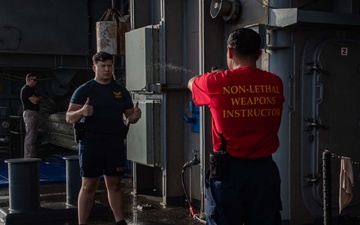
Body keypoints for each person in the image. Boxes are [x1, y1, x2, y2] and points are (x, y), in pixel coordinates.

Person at [187, 28, 285, 225]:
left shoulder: (215, 82)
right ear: (259, 54)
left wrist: (215, 76)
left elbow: (191, 83)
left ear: (229, 52)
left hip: (229, 172)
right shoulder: (275, 82)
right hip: (264, 171)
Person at [66, 51, 141, 225]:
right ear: (95, 68)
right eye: (103, 66)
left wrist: (135, 116)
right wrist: (81, 111)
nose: (107, 69)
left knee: (114, 185)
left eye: (109, 66)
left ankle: (120, 221)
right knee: (89, 185)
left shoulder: (120, 91)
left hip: (114, 143)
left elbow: (130, 117)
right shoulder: (85, 90)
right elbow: (69, 117)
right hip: (91, 143)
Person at [20, 73, 41, 158]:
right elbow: (34, 101)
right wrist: (38, 99)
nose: (36, 82)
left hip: (35, 112)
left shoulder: (34, 90)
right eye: (34, 80)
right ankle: (28, 155)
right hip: (30, 113)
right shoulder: (26, 89)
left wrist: (38, 99)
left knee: (34, 135)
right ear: (29, 80)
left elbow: (39, 99)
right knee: (30, 135)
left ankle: (33, 154)